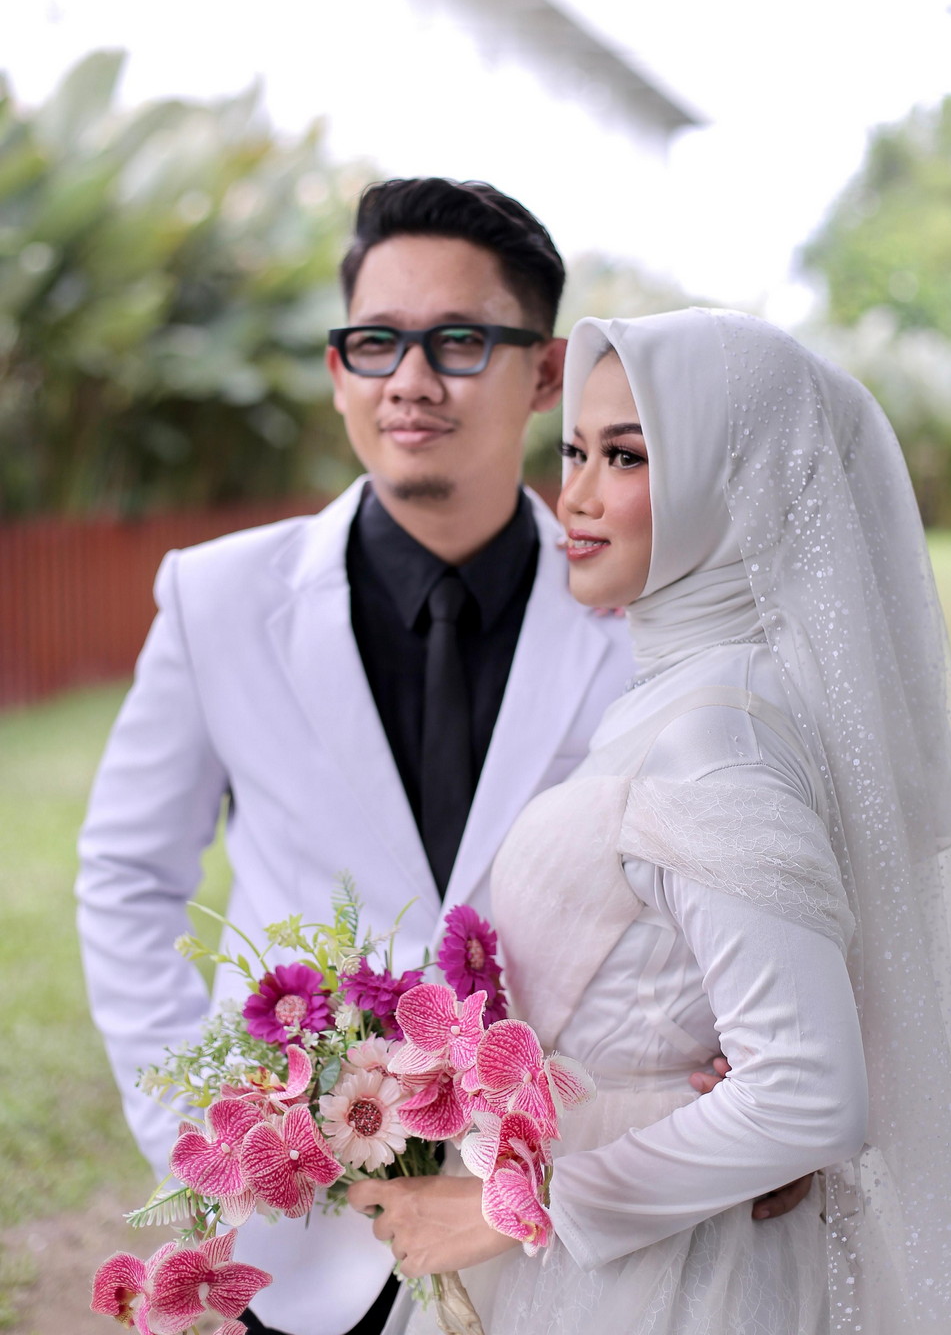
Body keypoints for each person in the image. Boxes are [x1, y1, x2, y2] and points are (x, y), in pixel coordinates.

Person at [76, 185, 805, 1335]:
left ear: (545, 371)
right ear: (337, 370)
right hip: (298, 1221)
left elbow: (729, 866)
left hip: (556, 1219)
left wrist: (737, 1087)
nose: (409, 380)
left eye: (458, 340)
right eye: (374, 342)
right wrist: (198, 1128)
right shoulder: (215, 599)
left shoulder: (649, 613)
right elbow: (126, 874)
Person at [350, 309, 951, 1334]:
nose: (576, 496)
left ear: (731, 487)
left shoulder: (714, 737)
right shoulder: (693, 694)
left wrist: (518, 1206)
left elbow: (807, 1093)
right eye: (574, 452)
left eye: (627, 456)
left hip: (656, 1281)